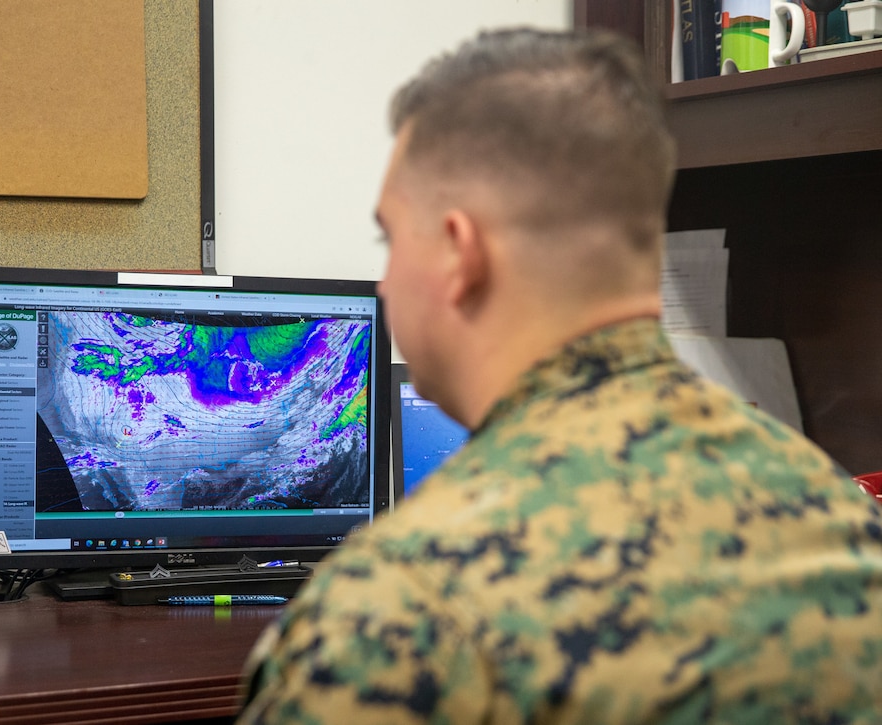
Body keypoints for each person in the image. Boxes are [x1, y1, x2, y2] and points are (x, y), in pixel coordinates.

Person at [237, 26, 882, 724]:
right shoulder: (844, 525)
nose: (387, 280)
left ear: (460, 253)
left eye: (391, 241)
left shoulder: (394, 615)